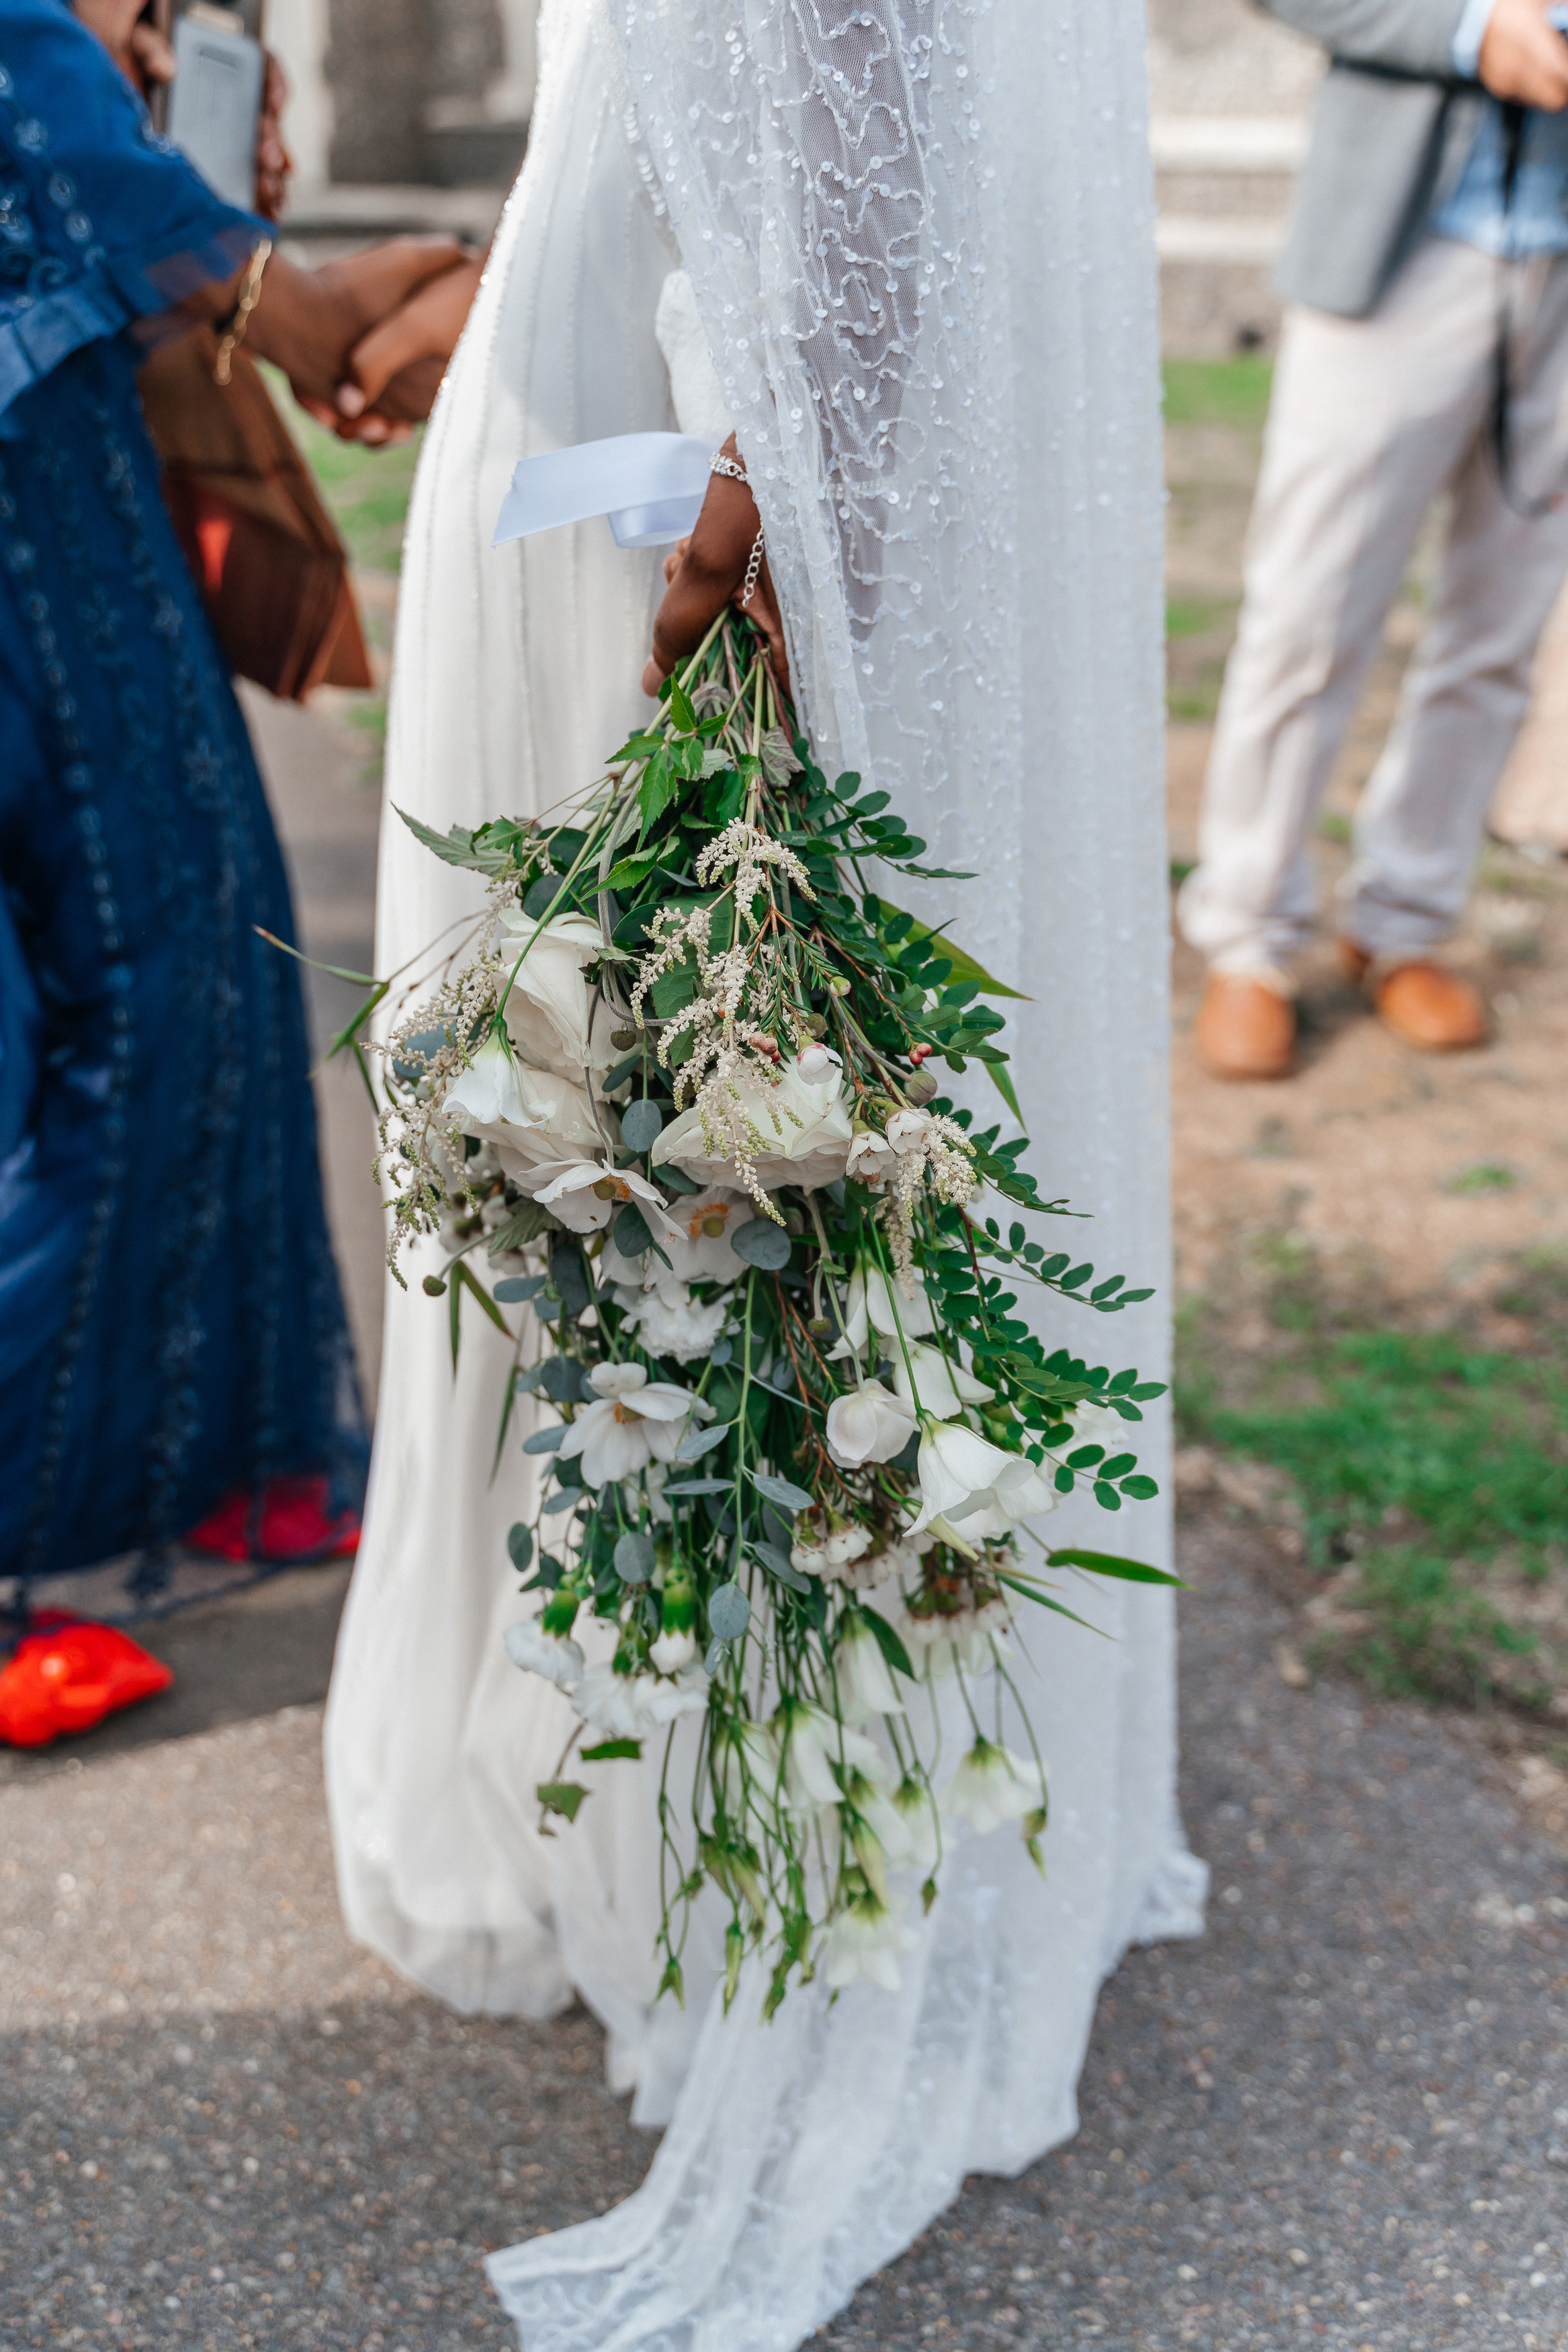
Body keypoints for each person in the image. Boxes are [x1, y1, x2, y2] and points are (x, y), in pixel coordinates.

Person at [324, 3, 1205, 2345]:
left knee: (676, 1197)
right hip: (629, 482)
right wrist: (508, 278)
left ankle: (751, 1846)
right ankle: (707, 1795)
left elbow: (851, 191)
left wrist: (754, 607)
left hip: (666, 568)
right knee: (625, 1204)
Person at [0, 0, 465, 1596]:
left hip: (62, 436)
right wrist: (295, 300)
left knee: (177, 942)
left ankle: (164, 1462)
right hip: (31, 482)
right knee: (141, 967)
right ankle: (41, 1520)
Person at [1179, 0, 1568, 1079]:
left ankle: (1402, 921)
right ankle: (1248, 938)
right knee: (1307, 614)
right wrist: (1470, 30)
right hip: (1405, 249)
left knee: (1499, 633)